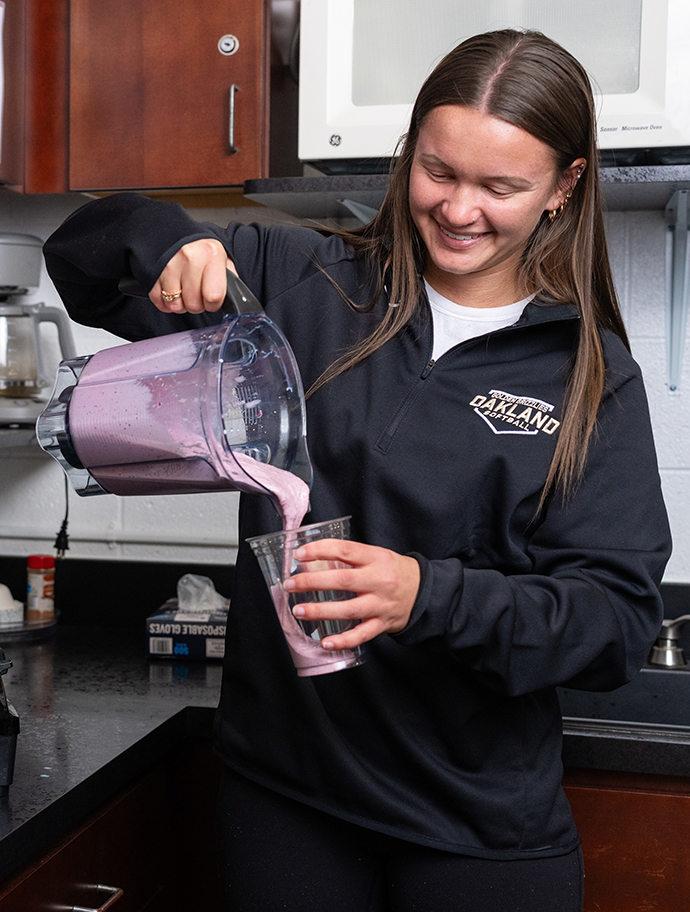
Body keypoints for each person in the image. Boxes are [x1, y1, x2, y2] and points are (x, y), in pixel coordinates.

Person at [44, 29, 671, 912]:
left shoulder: (587, 374)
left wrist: (427, 595)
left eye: (500, 187)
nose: (459, 210)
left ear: (565, 187)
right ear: (409, 150)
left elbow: (613, 623)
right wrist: (165, 240)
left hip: (478, 829)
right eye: (438, 171)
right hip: (287, 800)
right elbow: (82, 253)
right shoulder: (299, 283)